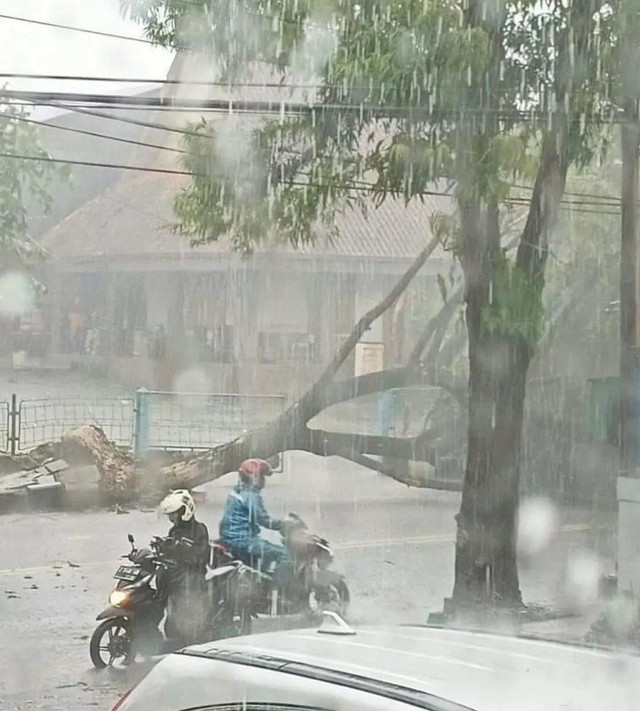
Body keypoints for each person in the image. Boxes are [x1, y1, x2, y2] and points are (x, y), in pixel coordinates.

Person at [219, 458, 288, 576]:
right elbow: (264, 520)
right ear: (254, 477)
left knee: (266, 550)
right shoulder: (251, 495)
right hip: (244, 541)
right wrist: (284, 524)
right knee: (284, 555)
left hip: (230, 538)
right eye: (262, 477)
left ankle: (260, 576)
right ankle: (277, 590)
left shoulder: (237, 492)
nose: (263, 481)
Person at [157, 489, 210, 643]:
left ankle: (190, 638)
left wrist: (179, 548)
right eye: (170, 514)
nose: (171, 518)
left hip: (191, 577)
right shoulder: (174, 530)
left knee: (184, 613)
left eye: (174, 513)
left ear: (184, 511)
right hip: (175, 575)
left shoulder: (199, 530)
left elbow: (199, 557)